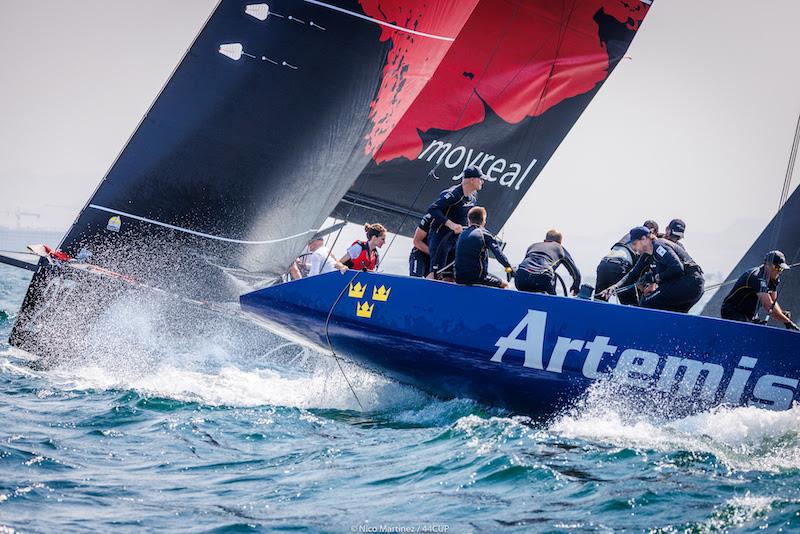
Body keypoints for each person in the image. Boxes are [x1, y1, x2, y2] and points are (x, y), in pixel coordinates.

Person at [599, 226, 704, 312]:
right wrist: (614, 287)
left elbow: (677, 268)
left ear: (644, 239)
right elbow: (633, 274)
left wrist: (656, 277)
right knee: (669, 310)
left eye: (635, 244)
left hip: (691, 283)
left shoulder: (659, 246)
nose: (634, 248)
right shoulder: (647, 255)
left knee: (646, 302)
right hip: (689, 286)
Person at [426, 166, 483, 280]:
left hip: (456, 240)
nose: (483, 182)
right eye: (480, 179)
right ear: (472, 180)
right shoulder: (453, 194)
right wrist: (450, 224)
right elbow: (433, 209)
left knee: (450, 276)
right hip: (440, 238)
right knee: (436, 274)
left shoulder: (473, 197)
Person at [720, 250, 799, 329]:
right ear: (767, 265)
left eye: (781, 269)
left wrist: (781, 313)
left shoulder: (774, 279)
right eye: (777, 267)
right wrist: (788, 322)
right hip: (732, 311)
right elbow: (768, 306)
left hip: (749, 315)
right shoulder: (757, 277)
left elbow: (773, 302)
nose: (779, 272)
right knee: (747, 332)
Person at [595, 220, 658, 305]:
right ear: (653, 231)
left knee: (599, 302)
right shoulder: (643, 242)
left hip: (604, 264)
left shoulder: (631, 235)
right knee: (631, 306)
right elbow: (638, 270)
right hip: (620, 265)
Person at [454, 207, 513, 288]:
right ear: (484, 221)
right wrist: (508, 267)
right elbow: (498, 254)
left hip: (458, 278)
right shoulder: (484, 234)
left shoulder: (462, 234)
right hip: (477, 278)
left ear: (469, 220)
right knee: (505, 284)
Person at [515, 229, 581, 295]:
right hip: (542, 278)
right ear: (560, 243)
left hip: (521, 277)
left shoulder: (532, 246)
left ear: (544, 241)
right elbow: (576, 273)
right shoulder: (560, 248)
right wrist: (575, 287)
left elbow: (526, 264)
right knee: (552, 300)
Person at [408, 213, 433, 277]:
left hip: (434, 257)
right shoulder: (430, 217)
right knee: (415, 280)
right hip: (420, 252)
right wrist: (434, 254)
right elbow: (416, 241)